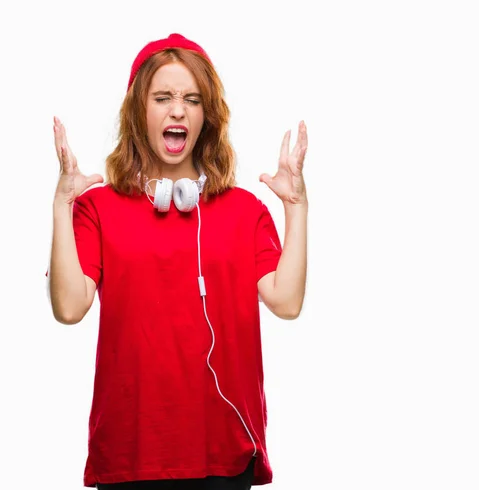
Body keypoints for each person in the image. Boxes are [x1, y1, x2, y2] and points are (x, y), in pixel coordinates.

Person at [47, 33, 308, 489]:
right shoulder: (98, 209)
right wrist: (61, 208)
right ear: (138, 112)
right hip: (130, 455)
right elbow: (69, 308)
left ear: (206, 116)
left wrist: (297, 209)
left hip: (225, 456)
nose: (177, 110)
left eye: (191, 99)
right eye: (162, 97)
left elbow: (286, 301)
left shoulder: (245, 211)